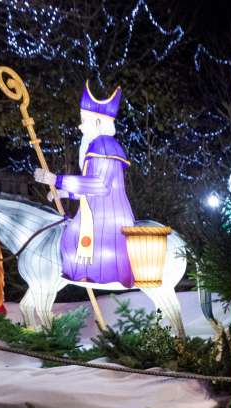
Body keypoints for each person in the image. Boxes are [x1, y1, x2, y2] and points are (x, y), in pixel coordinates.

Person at [34, 81, 135, 287]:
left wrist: (57, 179)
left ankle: (96, 276)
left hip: (109, 217)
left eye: (84, 120)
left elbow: (98, 185)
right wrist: (63, 193)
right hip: (96, 210)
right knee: (70, 236)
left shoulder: (104, 145)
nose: (80, 126)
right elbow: (89, 190)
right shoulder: (95, 145)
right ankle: (85, 276)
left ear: (98, 122)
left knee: (72, 237)